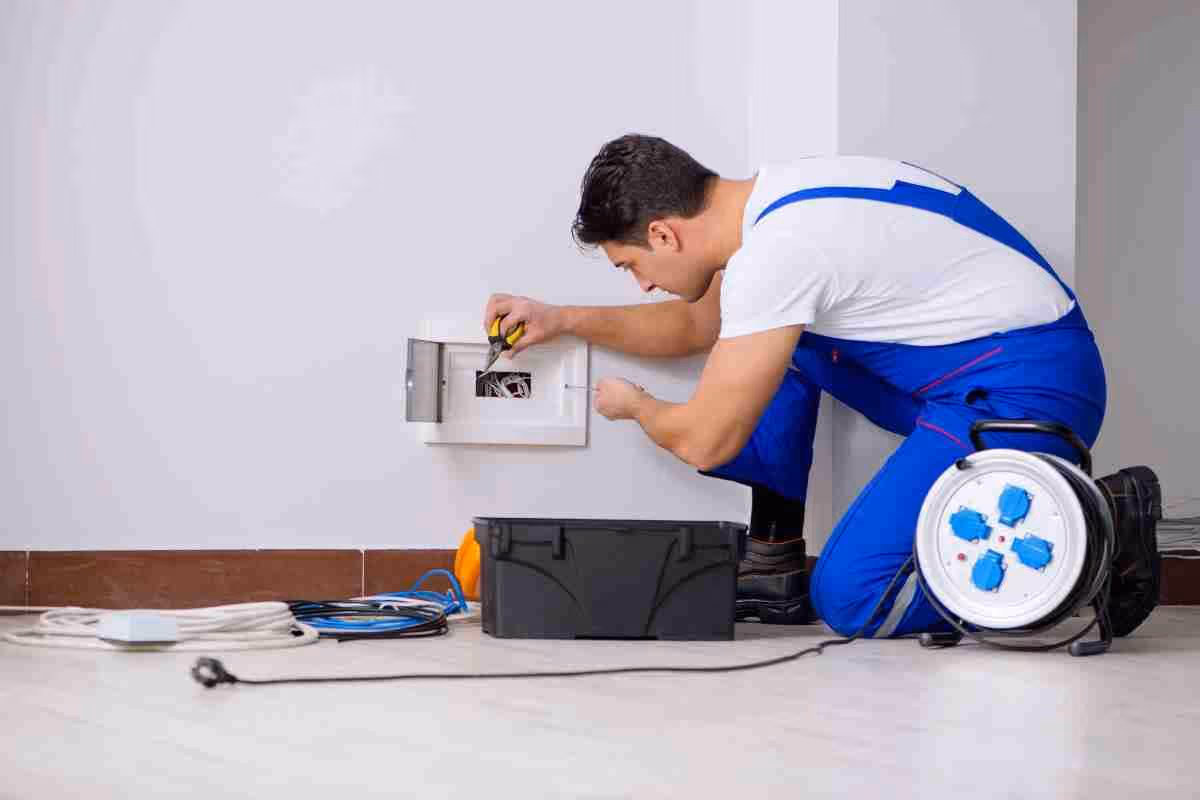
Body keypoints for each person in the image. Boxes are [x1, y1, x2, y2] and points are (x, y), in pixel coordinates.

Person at [483, 134, 1161, 638]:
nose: (642, 282)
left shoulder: (777, 255)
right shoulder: (780, 202)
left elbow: (707, 441)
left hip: (1025, 390)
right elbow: (698, 326)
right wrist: (562, 320)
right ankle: (774, 560)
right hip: (975, 365)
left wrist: (639, 408)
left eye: (633, 264)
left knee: (856, 599)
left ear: (663, 230)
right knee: (784, 342)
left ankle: (1086, 539)